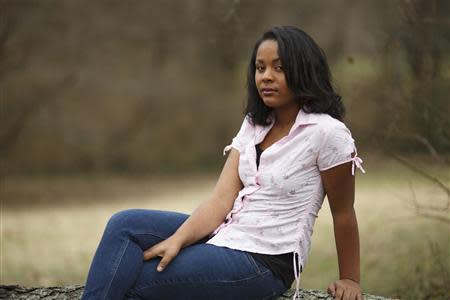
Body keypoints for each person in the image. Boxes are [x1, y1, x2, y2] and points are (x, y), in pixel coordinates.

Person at [81, 25, 365, 300]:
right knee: (124, 223)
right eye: (260, 67)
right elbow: (220, 200)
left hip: (263, 261)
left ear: (303, 70)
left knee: (135, 277)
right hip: (226, 233)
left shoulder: (327, 133)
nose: (266, 76)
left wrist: (350, 278)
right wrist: (179, 239)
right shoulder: (255, 124)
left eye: (279, 68)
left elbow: (342, 212)